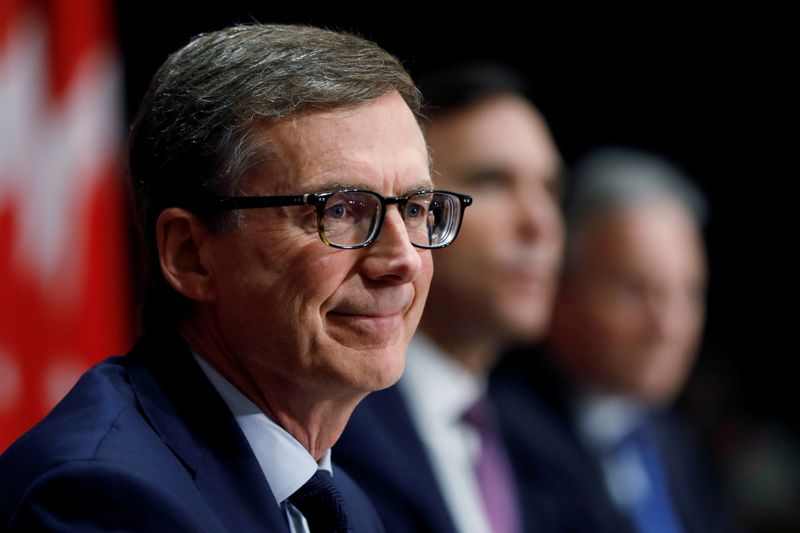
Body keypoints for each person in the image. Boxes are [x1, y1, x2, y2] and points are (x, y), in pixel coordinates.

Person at [0, 24, 472, 532]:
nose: (401, 259)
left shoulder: (345, 505)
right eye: (339, 210)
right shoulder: (104, 499)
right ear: (190, 254)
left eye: (417, 208)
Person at [335, 63, 564, 533]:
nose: (539, 224)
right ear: (415, 208)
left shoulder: (541, 440)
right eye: (494, 181)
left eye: (550, 189)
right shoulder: (334, 424)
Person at [491, 147, 738, 532]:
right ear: (561, 288)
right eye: (637, 291)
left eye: (689, 293)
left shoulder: (671, 441)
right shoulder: (498, 438)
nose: (668, 328)